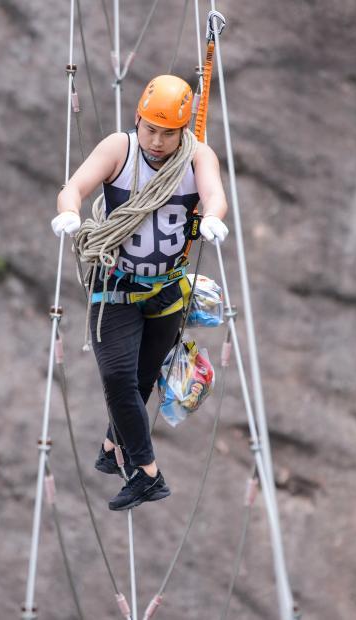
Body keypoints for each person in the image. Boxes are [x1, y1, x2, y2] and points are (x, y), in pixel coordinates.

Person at [51, 74, 229, 511]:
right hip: (117, 285)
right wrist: (70, 213)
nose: (156, 140)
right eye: (150, 128)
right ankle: (148, 475)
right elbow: (73, 187)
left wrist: (212, 217)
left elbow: (214, 195)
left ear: (183, 130)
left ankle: (114, 449)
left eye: (169, 133)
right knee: (116, 378)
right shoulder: (119, 149)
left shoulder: (196, 155)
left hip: (168, 291)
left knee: (143, 382)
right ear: (139, 118)